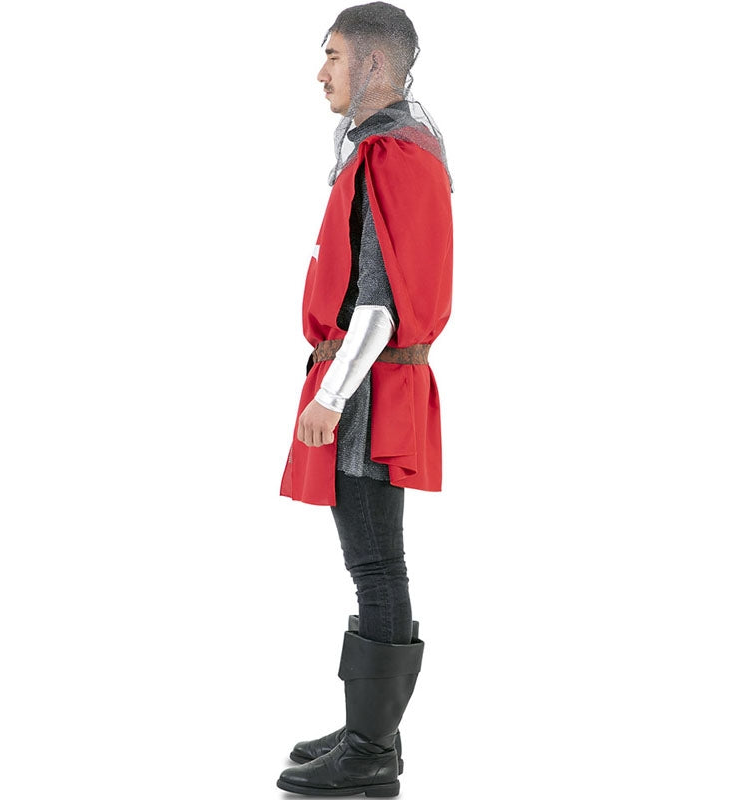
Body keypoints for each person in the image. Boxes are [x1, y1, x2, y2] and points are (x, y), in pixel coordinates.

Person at [277, 3, 453, 796]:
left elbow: (378, 305)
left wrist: (330, 396)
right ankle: (368, 728)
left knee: (377, 566)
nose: (322, 73)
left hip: (368, 393)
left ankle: (372, 751)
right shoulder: (395, 151)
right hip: (371, 384)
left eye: (334, 56)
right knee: (374, 564)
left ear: (374, 65)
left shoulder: (390, 157)